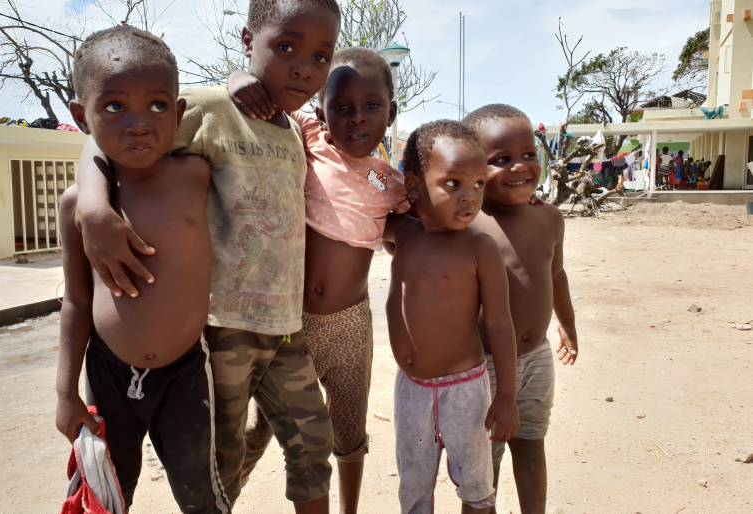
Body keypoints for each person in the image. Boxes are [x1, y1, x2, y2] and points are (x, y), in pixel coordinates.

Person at [70, 1, 344, 511]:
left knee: (313, 447)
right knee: (222, 461)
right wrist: (92, 206)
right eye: (286, 47)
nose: (304, 68)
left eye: (320, 57)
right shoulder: (210, 107)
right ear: (247, 41)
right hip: (223, 328)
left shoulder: (296, 131)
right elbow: (101, 139)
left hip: (284, 327)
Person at [226, 47, 409, 514]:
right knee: (260, 428)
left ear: (390, 114)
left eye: (372, 105)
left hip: (349, 326)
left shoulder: (393, 186)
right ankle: (221, 500)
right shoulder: (309, 139)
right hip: (290, 324)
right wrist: (237, 78)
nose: (356, 117)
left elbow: (424, 228)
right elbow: (258, 99)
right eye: (341, 106)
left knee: (348, 428)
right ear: (322, 113)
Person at [54, 25, 228, 513]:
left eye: (157, 106)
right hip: (106, 372)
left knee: (201, 498)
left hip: (186, 373)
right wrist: (66, 393)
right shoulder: (78, 206)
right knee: (106, 495)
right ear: (81, 117)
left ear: (178, 113)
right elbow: (76, 300)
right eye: (114, 107)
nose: (138, 124)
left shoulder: (196, 175)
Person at [383, 120, 519, 514]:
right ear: (414, 185)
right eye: (453, 183)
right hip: (410, 389)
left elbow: (499, 323)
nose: (469, 196)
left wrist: (506, 396)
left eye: (478, 184)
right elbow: (359, 204)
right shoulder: (402, 232)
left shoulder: (480, 249)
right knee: (413, 485)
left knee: (476, 487)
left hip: (465, 392)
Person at [463, 104, 578, 514]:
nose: (519, 166)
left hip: (537, 357)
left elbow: (556, 274)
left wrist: (567, 323)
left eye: (529, 154)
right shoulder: (468, 222)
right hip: (486, 366)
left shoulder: (550, 218)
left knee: (531, 449)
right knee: (484, 465)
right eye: (501, 159)